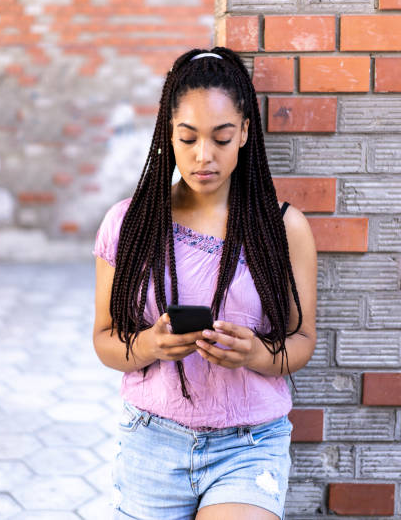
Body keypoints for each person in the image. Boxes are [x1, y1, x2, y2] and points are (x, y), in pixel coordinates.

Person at [92, 47, 317, 520]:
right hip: (153, 440)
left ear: (245, 133)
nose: (203, 156)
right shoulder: (129, 224)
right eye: (188, 138)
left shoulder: (283, 228)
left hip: (249, 444)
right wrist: (152, 345)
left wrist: (255, 354)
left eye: (221, 137)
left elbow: (302, 339)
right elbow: (105, 340)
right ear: (167, 136)